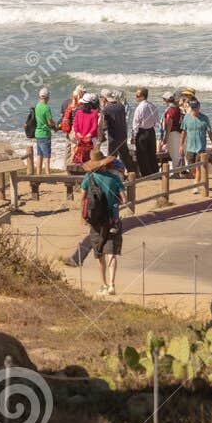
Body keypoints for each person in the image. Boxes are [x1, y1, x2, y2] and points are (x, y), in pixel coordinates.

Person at [81, 158, 124, 295]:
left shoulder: (89, 177)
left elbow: (82, 198)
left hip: (95, 221)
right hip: (112, 220)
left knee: (99, 254)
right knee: (112, 253)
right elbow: (124, 199)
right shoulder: (115, 178)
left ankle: (104, 285)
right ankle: (112, 284)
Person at [179, 97, 212, 174]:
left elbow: (210, 133)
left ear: (199, 107)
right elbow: (184, 132)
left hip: (201, 148)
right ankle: (196, 182)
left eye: (196, 107)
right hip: (190, 148)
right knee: (191, 169)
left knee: (199, 168)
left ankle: (197, 183)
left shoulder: (205, 118)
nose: (194, 109)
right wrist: (181, 146)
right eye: (192, 107)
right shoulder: (186, 117)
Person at [130, 87, 160, 177]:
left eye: (137, 95)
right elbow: (156, 121)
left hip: (142, 132)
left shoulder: (140, 108)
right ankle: (155, 172)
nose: (136, 97)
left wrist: (133, 136)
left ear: (143, 96)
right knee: (152, 153)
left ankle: (146, 174)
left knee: (142, 155)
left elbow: (135, 124)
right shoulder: (153, 106)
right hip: (151, 131)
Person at [102, 89, 132, 176]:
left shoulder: (107, 108)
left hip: (113, 137)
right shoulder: (121, 105)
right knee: (125, 156)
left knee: (111, 157)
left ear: (104, 98)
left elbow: (105, 125)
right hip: (123, 135)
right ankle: (132, 173)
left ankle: (111, 175)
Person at [70, 92, 101, 169]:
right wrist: (78, 132)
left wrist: (88, 134)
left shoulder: (93, 113)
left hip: (89, 137)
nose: (83, 105)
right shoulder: (79, 112)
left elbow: (94, 126)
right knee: (82, 156)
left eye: (84, 104)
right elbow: (75, 124)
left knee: (90, 156)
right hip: (83, 137)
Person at [30, 88, 56, 172]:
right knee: (46, 155)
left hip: (38, 133)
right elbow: (50, 122)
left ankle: (38, 173)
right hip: (45, 134)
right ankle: (48, 175)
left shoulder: (37, 105)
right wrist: (55, 126)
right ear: (47, 97)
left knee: (39, 154)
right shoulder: (46, 107)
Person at [160, 91, 183, 177]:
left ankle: (176, 173)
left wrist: (166, 137)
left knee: (174, 154)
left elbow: (169, 122)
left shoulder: (171, 110)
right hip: (176, 133)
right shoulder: (176, 108)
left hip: (173, 133)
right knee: (175, 153)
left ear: (166, 100)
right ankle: (177, 172)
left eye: (163, 100)